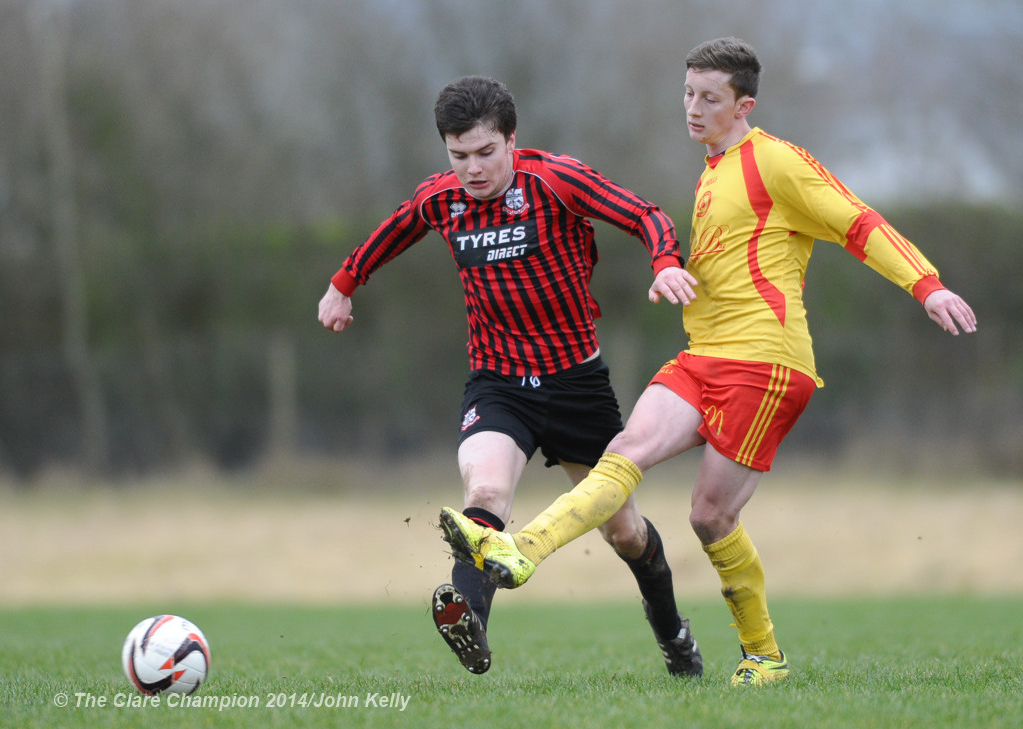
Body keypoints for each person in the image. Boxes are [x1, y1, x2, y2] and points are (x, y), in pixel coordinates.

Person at [439, 39, 978, 687]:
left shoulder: (777, 162)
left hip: (767, 363)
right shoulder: (713, 167)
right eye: (688, 93)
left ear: (743, 104)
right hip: (703, 357)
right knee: (624, 453)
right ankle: (517, 552)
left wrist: (928, 283)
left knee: (708, 516)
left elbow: (856, 222)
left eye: (709, 98)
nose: (692, 108)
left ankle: (765, 655)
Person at [318, 75, 703, 677]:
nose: (472, 168)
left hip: (577, 384)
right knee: (486, 496)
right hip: (498, 382)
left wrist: (664, 262)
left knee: (625, 533)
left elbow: (643, 214)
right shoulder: (440, 198)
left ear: (511, 141)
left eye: (484, 152)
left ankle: (675, 637)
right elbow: (394, 230)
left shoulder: (556, 180)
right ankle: (468, 619)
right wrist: (344, 284)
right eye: (458, 155)